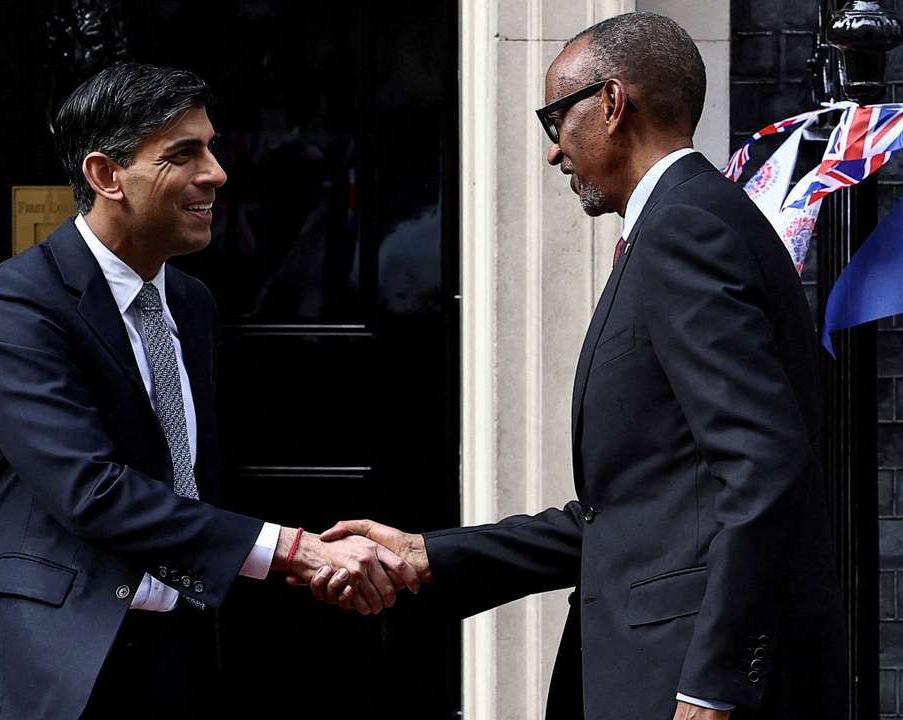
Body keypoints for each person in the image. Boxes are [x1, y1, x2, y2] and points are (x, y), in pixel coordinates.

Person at [316, 13, 847, 720]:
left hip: (685, 686)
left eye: (554, 120)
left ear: (612, 103)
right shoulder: (688, 222)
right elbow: (630, 515)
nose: (553, 153)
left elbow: (766, 469)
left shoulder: (686, 231)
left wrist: (712, 685)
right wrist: (425, 555)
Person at [0, 62, 416, 720]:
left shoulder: (190, 302)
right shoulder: (17, 305)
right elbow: (91, 491)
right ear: (106, 176)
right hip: (50, 668)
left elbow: (190, 476)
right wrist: (294, 552)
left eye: (209, 149)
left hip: (179, 655)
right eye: (183, 154)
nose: (215, 172)